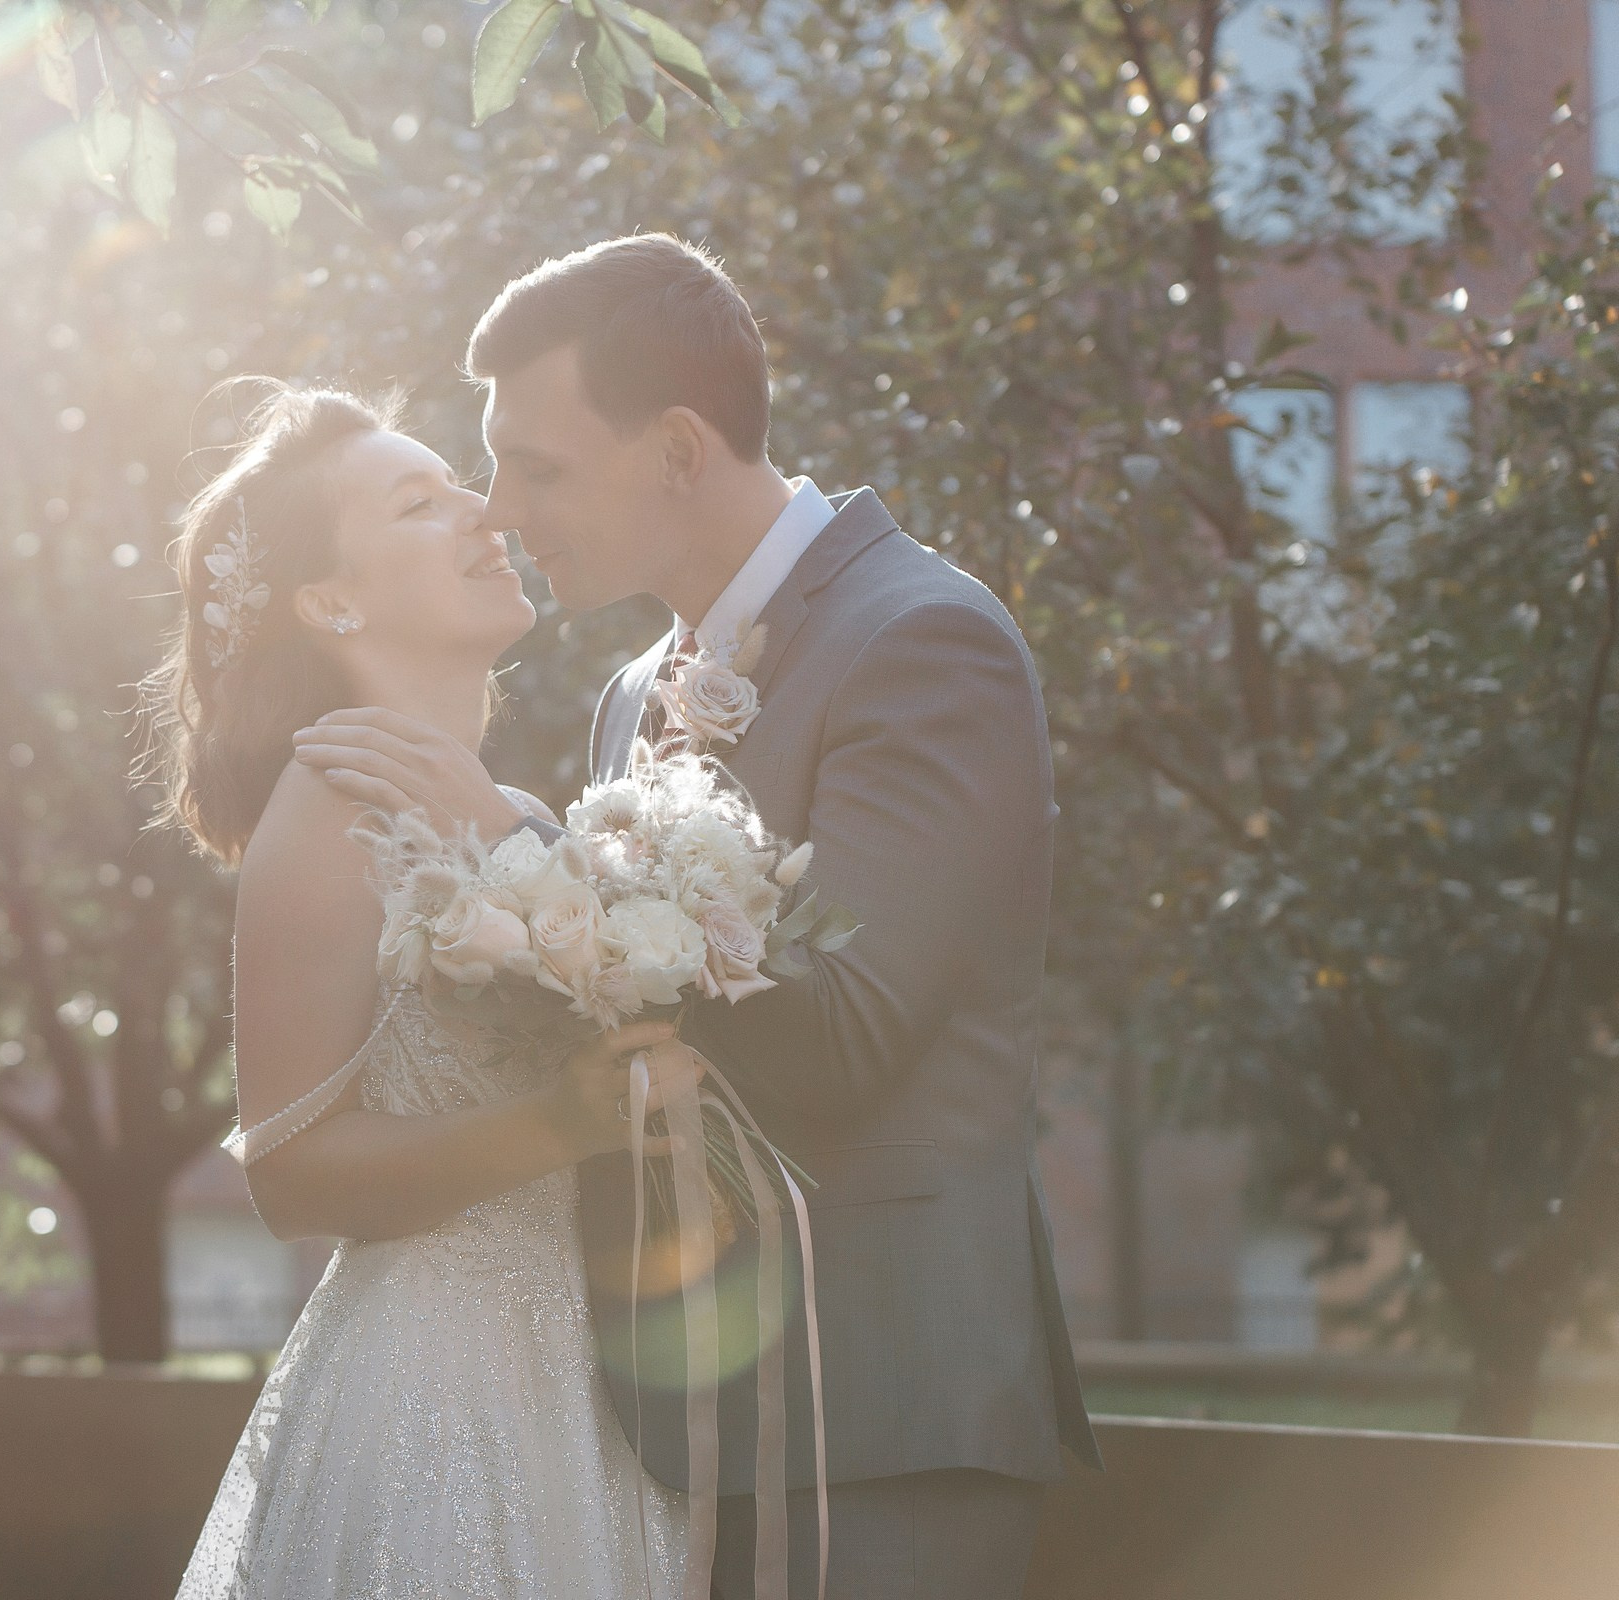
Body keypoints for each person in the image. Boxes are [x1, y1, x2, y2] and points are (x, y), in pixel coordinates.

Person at [292, 234, 1101, 1600]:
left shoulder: (923, 638)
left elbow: (848, 1034)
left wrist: (517, 842)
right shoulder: (629, 690)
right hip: (663, 1427)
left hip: (885, 1415)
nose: (501, 511)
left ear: (676, 449)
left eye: (536, 468)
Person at [153, 381, 703, 1598]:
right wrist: (556, 1124)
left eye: (465, 484)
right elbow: (289, 1169)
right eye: (421, 501)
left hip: (596, 1392)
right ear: (330, 599)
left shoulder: (515, 814)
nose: (483, 512)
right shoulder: (333, 794)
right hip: (439, 1400)